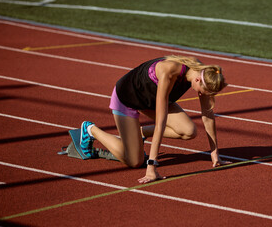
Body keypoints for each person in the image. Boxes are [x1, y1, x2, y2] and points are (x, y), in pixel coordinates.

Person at [79, 55, 230, 183]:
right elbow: (160, 123)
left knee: (189, 131)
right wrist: (152, 166)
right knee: (134, 161)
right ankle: (90, 130)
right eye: (205, 92)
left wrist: (214, 152)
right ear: (197, 80)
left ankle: (140, 134)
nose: (204, 95)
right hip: (127, 98)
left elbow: (208, 115)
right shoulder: (169, 71)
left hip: (149, 100)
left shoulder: (205, 74)